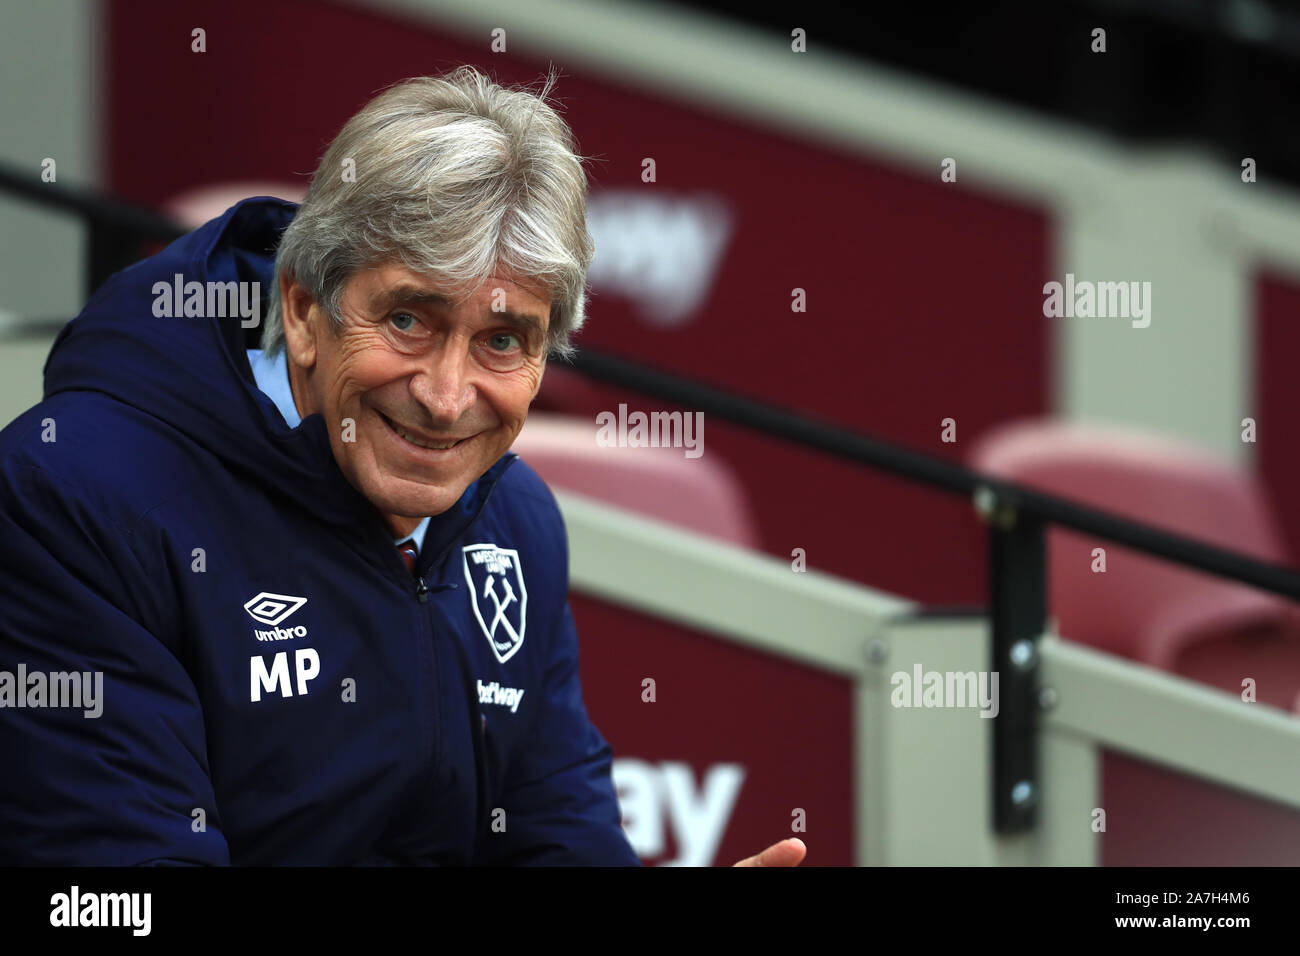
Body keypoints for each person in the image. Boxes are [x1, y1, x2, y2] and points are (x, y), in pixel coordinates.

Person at [0, 65, 805, 867]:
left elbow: (558, 833)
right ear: (305, 309)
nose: (448, 397)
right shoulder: (73, 494)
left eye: (501, 340)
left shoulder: (517, 520)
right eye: (410, 319)